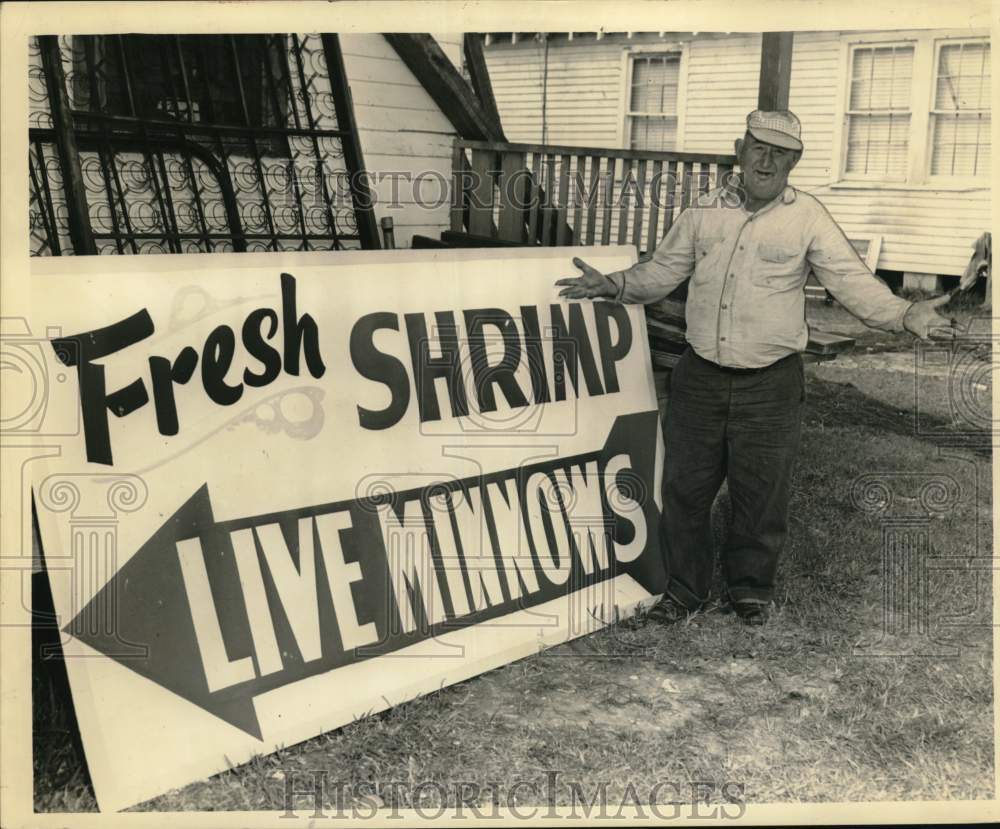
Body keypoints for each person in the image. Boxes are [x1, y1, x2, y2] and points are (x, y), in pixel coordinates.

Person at [555, 109, 957, 626]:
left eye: (781, 152)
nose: (767, 160)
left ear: (795, 160)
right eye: (759, 147)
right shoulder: (703, 212)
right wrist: (614, 286)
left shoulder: (807, 216)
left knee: (761, 494)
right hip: (698, 375)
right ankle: (684, 588)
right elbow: (661, 272)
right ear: (740, 149)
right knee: (682, 489)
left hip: (770, 383)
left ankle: (750, 589)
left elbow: (850, 282)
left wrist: (905, 314)